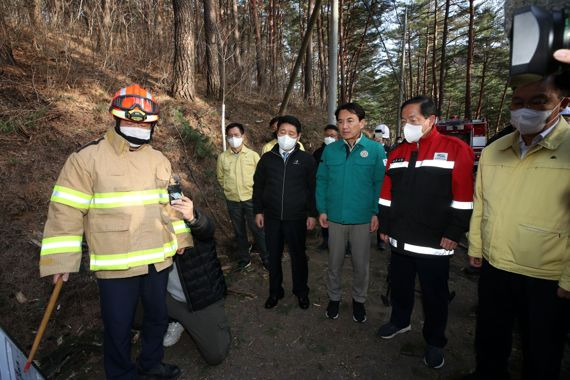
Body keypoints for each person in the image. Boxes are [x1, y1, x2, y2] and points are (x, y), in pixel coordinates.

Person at [38, 84, 192, 379]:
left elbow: (173, 204)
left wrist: (181, 237)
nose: (137, 127)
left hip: (157, 261)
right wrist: (60, 260)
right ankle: (121, 374)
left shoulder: (159, 159)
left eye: (144, 123)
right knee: (118, 326)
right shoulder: (87, 159)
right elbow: (66, 209)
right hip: (116, 265)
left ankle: (151, 363)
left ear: (153, 124)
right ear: (116, 118)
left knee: (157, 318)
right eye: (131, 121)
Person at [466, 73, 570, 380]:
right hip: (496, 264)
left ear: (561, 103)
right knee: (490, 337)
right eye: (518, 102)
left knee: (541, 349)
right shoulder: (494, 150)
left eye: (538, 101)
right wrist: (475, 246)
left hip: (546, 274)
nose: (525, 109)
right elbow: (480, 202)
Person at [376, 96, 474, 369]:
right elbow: (386, 196)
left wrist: (454, 232)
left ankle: (434, 341)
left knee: (435, 295)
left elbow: (464, 198)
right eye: (405, 120)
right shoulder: (397, 153)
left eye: (413, 120)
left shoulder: (456, 149)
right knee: (400, 285)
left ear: (432, 120)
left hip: (435, 242)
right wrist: (384, 226)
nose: (407, 125)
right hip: (400, 239)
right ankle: (400, 321)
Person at [316, 102, 386, 323]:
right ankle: (334, 298)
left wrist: (376, 212)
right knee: (334, 262)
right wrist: (322, 209)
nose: (344, 126)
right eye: (340, 121)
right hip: (335, 217)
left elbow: (379, 183)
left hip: (362, 218)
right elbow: (322, 181)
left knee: (360, 264)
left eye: (350, 120)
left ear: (362, 123)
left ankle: (359, 301)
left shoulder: (375, 150)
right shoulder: (330, 149)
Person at [253, 115, 317, 310]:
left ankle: (301, 291)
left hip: (296, 218)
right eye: (282, 132)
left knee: (298, 256)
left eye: (291, 133)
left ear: (298, 136)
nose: (286, 136)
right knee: (274, 256)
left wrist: (312, 214)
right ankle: (275, 291)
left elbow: (312, 189)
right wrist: (258, 211)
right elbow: (258, 186)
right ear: (276, 133)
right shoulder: (267, 158)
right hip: (272, 217)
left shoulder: (306, 160)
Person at [162, 196, 230, 366]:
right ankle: (176, 320)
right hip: (170, 299)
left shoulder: (185, 217)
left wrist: (193, 217)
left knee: (216, 354)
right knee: (133, 310)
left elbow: (206, 229)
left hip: (200, 299)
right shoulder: (147, 224)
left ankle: (212, 322)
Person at [217, 122, 268, 271]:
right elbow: (220, 177)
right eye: (230, 136)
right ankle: (245, 259)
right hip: (233, 201)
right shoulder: (223, 157)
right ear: (227, 138)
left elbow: (261, 178)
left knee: (258, 230)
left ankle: (266, 258)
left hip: (251, 200)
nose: (233, 138)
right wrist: (228, 189)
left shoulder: (252, 156)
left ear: (243, 136)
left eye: (236, 135)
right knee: (239, 231)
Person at [312, 124, 339, 250]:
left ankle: (345, 244)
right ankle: (325, 241)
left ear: (337, 137)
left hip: (337, 190)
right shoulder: (317, 153)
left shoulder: (342, 151)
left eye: (332, 135)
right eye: (327, 135)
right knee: (323, 215)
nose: (329, 137)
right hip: (322, 189)